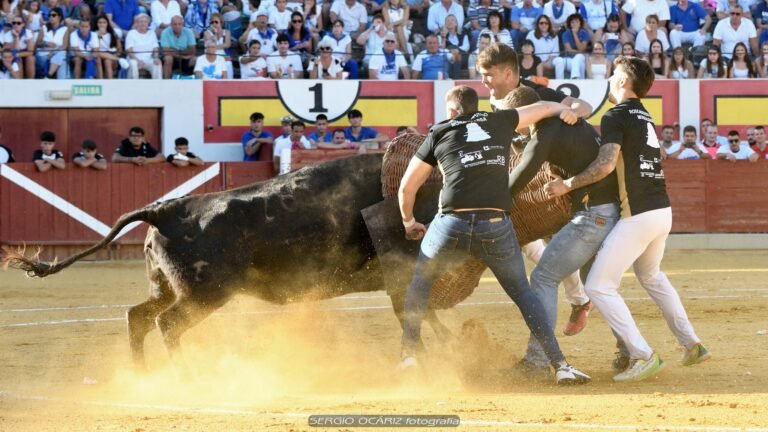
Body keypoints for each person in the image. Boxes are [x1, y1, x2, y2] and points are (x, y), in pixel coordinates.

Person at [397, 85, 591, 385]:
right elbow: (544, 108)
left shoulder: (439, 131)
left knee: (421, 281)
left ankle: (409, 355)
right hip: (494, 222)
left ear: (451, 111)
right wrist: (567, 111)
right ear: (477, 106)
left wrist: (409, 222)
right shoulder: (499, 120)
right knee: (523, 294)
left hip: (452, 222)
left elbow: (407, 188)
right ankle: (561, 365)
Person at [543, 56, 711, 382]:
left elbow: (606, 164)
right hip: (662, 211)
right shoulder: (645, 115)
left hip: (638, 214)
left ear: (622, 81)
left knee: (597, 286)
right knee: (651, 276)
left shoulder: (616, 115)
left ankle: (643, 354)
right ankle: (692, 344)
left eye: (612, 76)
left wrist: (567, 184)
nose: (608, 81)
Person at [503, 86, 620, 375]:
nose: (512, 125)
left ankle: (537, 361)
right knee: (597, 283)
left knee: (543, 277)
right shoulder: (558, 125)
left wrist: (490, 203)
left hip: (593, 214)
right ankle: (632, 351)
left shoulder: (546, 133)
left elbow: (522, 174)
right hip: (602, 209)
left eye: (514, 118)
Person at [125, 14, 162, 79]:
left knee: (157, 63)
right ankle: (132, 84)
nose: (143, 24)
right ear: (137, 23)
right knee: (133, 63)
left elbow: (155, 48)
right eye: (141, 22)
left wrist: (156, 57)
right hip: (134, 59)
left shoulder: (152, 33)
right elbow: (129, 50)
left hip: (149, 59)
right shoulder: (131, 33)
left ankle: (158, 84)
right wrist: (138, 60)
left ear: (148, 24)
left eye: (145, 22)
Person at [554, 13, 589, 79]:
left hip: (580, 59)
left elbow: (582, 49)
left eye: (577, 22)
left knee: (578, 57)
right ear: (570, 24)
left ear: (580, 23)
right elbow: (569, 51)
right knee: (559, 60)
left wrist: (575, 34)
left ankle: (574, 78)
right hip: (568, 59)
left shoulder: (585, 33)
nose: (575, 24)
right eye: (572, 22)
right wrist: (580, 52)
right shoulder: (565, 34)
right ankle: (560, 81)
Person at [2, 14, 37, 78]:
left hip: (23, 54)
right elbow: (13, 51)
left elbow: (31, 52)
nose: (16, 25)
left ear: (23, 24)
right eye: (14, 23)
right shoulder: (8, 35)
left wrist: (18, 54)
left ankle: (31, 80)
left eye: (18, 23)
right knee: (17, 59)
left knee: (30, 58)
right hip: (13, 55)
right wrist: (17, 37)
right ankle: (19, 81)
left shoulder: (28, 32)